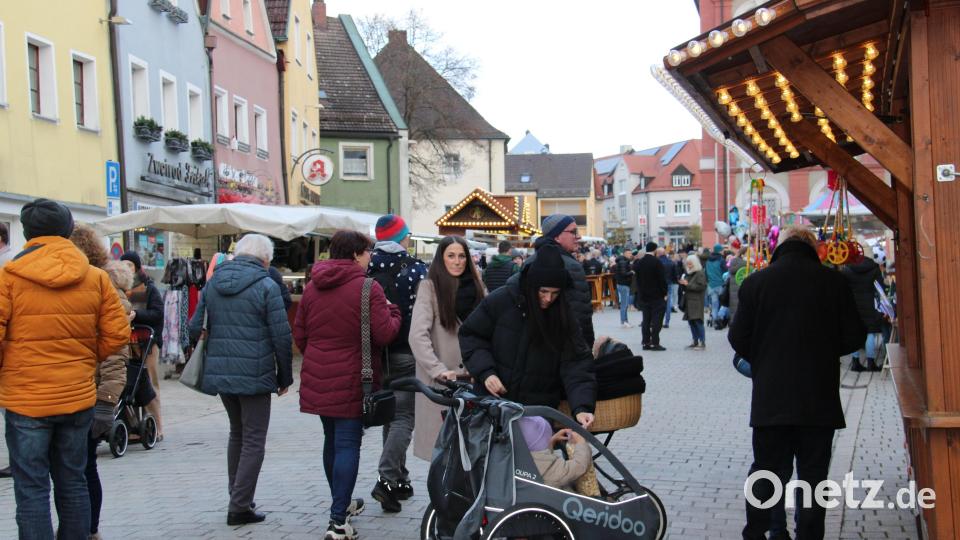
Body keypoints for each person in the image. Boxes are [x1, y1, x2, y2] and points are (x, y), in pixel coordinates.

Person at [0, 199, 130, 540]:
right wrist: (87, 357)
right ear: (68, 230)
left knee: (31, 487)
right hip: (76, 395)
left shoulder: (8, 278)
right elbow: (118, 334)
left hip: (25, 399)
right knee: (73, 482)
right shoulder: (96, 278)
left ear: (27, 232)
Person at [730, 226, 866, 540]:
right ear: (813, 248)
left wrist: (764, 358)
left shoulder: (756, 283)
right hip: (818, 398)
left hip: (771, 398)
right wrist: (825, 351)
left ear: (780, 247)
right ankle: (809, 534)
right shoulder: (833, 283)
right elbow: (855, 335)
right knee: (814, 476)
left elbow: (737, 337)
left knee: (766, 470)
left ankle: (758, 531)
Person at [296, 230, 402, 540]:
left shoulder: (314, 286)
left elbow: (300, 334)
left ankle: (340, 505)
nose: (371, 257)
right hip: (355, 375)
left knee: (332, 441)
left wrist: (319, 356)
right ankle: (338, 520)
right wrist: (394, 313)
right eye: (368, 252)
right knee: (346, 444)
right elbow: (384, 334)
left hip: (318, 375)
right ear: (356, 254)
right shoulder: (369, 288)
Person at [188, 234, 294, 527]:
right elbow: (281, 336)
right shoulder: (266, 285)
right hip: (256, 373)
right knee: (254, 440)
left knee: (237, 433)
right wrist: (284, 377)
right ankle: (239, 506)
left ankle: (238, 496)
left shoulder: (213, 284)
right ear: (265, 260)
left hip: (221, 372)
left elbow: (194, 326)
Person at [460, 243, 597, 429]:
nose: (549, 299)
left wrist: (582, 406)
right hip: (493, 405)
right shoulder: (501, 300)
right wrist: (486, 372)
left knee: (535, 458)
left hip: (537, 411)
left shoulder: (564, 314)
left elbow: (576, 362)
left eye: (555, 293)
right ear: (531, 286)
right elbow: (471, 335)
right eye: (543, 291)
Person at [70, 225, 133, 540]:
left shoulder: (103, 288)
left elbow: (114, 355)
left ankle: (89, 531)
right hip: (75, 392)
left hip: (91, 395)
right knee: (78, 469)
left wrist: (106, 403)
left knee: (82, 468)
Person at [365, 214, 427, 513]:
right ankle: (387, 479)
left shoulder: (365, 267)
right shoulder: (416, 270)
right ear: (403, 237)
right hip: (405, 351)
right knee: (403, 417)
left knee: (390, 414)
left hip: (375, 353)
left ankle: (399, 479)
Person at [409, 236, 484, 460]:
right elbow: (417, 335)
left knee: (473, 450)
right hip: (442, 381)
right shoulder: (429, 287)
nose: (457, 261)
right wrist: (437, 369)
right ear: (441, 259)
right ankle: (443, 496)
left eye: (462, 256)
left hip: (473, 378)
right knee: (443, 452)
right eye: (451, 256)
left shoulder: (479, 285)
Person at [510, 214, 595, 348]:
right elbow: (580, 315)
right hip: (565, 346)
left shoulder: (529, 262)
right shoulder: (571, 266)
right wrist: (586, 349)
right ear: (556, 236)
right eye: (573, 232)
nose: (578, 236)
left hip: (535, 344)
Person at [120, 250, 165, 440]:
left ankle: (157, 426)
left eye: (130, 265)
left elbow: (157, 314)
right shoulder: (118, 288)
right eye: (125, 265)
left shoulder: (149, 288)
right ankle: (132, 426)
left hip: (146, 342)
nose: (128, 268)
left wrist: (137, 315)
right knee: (128, 385)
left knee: (149, 383)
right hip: (125, 343)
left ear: (137, 267)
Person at [518, 416, 591, 491]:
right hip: (559, 500)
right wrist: (581, 443)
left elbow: (540, 454)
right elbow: (578, 466)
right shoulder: (550, 470)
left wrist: (552, 440)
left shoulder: (520, 461)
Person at [841, 253, 885, 372]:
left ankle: (855, 362)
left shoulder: (847, 269)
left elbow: (842, 287)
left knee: (855, 332)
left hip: (853, 304)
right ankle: (871, 363)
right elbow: (880, 287)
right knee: (870, 332)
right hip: (869, 303)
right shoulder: (874, 268)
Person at [632, 242, 668, 351]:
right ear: (655, 250)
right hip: (656, 296)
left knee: (646, 320)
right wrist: (665, 292)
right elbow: (662, 279)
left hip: (644, 296)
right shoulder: (657, 262)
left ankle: (645, 342)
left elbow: (637, 279)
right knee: (657, 320)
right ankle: (655, 342)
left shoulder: (639, 262)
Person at [680, 255, 707, 350]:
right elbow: (687, 287)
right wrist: (683, 284)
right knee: (691, 322)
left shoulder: (700, 273)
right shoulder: (689, 273)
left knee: (697, 321)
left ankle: (702, 341)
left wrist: (688, 285)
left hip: (696, 301)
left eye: (690, 263)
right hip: (689, 301)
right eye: (687, 263)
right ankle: (695, 340)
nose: (689, 265)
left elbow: (701, 287)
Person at [705, 243, 725, 327]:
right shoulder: (721, 260)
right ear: (719, 251)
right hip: (720, 284)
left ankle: (714, 319)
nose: (723, 251)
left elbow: (705, 273)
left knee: (714, 304)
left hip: (711, 285)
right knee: (723, 303)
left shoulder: (708, 260)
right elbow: (725, 272)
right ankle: (720, 319)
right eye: (722, 250)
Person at [612, 250, 634, 328]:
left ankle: (625, 321)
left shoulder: (622, 261)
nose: (630, 254)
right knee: (624, 304)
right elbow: (623, 273)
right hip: (623, 284)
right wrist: (631, 272)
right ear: (625, 254)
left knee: (625, 304)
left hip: (623, 284)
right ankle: (623, 321)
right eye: (629, 253)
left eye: (631, 253)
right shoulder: (623, 262)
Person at [658, 248, 679, 328]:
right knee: (668, 303)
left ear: (659, 253)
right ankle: (667, 322)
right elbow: (675, 275)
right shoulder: (671, 262)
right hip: (669, 284)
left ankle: (658, 321)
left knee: (659, 303)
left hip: (659, 285)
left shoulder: (657, 262)